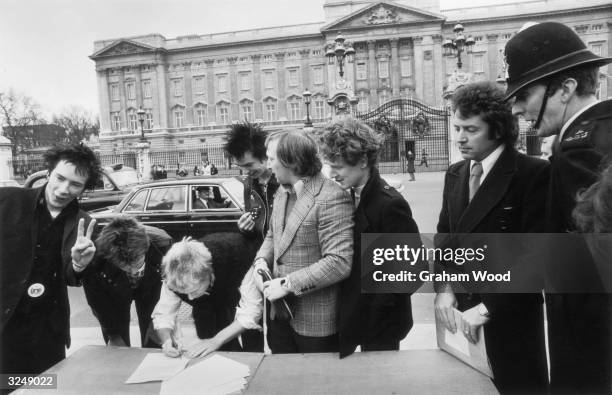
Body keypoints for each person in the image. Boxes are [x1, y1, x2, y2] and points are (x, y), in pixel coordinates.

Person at [505, 21, 612, 393]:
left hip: (593, 343)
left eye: (525, 95)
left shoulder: (580, 149)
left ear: (566, 88)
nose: (518, 108)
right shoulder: (602, 128)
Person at [434, 82, 549, 393]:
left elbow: (536, 259)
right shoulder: (455, 173)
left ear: (498, 130)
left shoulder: (532, 174)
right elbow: (445, 236)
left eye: (470, 129)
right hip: (460, 318)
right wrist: (445, 289)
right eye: (457, 127)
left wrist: (487, 308)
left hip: (509, 321)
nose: (459, 137)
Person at [319, 117, 425, 358]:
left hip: (379, 323)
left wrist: (377, 306)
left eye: (339, 166)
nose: (332, 174)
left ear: (363, 160)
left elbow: (413, 271)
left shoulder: (390, 205)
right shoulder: (349, 195)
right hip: (352, 314)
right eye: (330, 165)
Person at [0, 143, 100, 377]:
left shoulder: (83, 223)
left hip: (47, 329)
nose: (64, 189)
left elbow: (70, 277)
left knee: (44, 388)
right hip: (5, 322)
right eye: (60, 178)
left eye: (75, 184)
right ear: (48, 174)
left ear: (83, 189)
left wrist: (78, 265)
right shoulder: (7, 201)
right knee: (6, 385)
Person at [254, 130, 354, 354]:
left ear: (292, 161)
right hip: (278, 316)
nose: (268, 165)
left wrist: (287, 284)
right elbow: (273, 234)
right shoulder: (281, 190)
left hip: (315, 324)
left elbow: (338, 262)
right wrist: (260, 261)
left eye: (271, 159)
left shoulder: (331, 197)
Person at [153, 233, 258, 358]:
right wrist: (166, 341)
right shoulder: (172, 275)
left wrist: (216, 340)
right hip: (210, 299)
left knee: (253, 341)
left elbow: (252, 312)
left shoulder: (240, 256)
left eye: (194, 291)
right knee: (210, 342)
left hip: (236, 277)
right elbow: (164, 313)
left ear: (209, 274)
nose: (190, 298)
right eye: (184, 293)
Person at [83, 217, 172, 348]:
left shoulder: (163, 245)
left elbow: (168, 297)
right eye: (125, 266)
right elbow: (99, 304)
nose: (133, 271)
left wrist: (166, 329)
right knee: (118, 347)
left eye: (136, 262)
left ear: (145, 250)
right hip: (115, 289)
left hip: (149, 286)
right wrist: (113, 335)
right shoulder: (94, 259)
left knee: (155, 337)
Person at [224, 121, 280, 243]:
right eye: (241, 166)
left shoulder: (284, 182)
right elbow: (255, 229)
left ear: (265, 157)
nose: (245, 171)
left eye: (249, 165)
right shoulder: (249, 185)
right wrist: (245, 229)